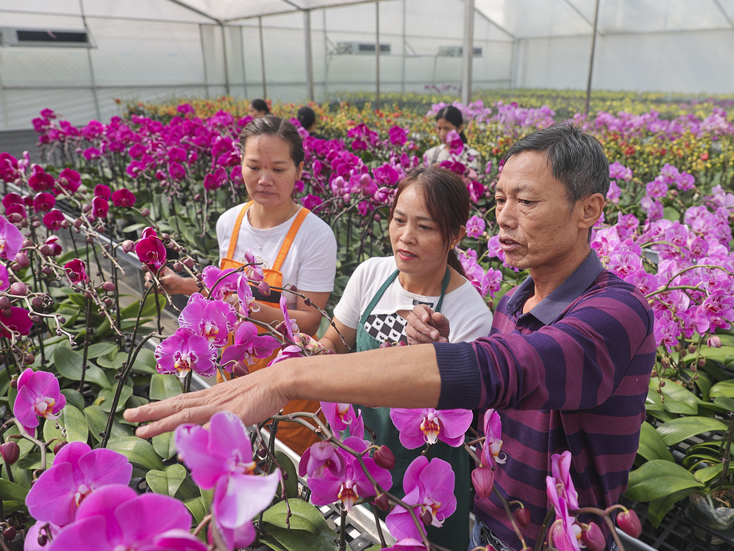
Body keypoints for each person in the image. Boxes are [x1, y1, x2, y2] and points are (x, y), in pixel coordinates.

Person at [125, 123, 656, 551]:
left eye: (528, 203)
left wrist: (289, 376)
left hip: (562, 536)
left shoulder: (617, 312)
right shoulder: (516, 302)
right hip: (487, 525)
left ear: (589, 210)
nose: (505, 220)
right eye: (499, 201)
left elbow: (509, 370)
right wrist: (444, 349)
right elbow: (488, 414)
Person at [317, 166, 492, 550]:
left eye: (425, 227)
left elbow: (464, 412)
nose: (405, 237)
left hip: (429, 477)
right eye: (399, 220)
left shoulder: (470, 312)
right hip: (362, 455)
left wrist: (439, 357)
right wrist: (311, 351)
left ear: (455, 236)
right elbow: (335, 341)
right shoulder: (371, 275)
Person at [155, 115, 337, 455]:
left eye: (279, 169)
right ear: (240, 165)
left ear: (299, 170)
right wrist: (184, 286)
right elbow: (225, 288)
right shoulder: (230, 222)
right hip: (233, 369)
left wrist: (241, 308)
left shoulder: (315, 235)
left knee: (285, 470)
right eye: (253, 166)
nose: (264, 179)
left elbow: (310, 321)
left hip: (287, 381)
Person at [423, 105, 481, 171]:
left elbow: (472, 178)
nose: (442, 134)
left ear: (459, 128)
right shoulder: (431, 154)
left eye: (447, 129)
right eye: (439, 128)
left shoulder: (470, 155)